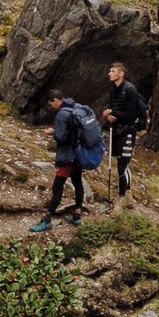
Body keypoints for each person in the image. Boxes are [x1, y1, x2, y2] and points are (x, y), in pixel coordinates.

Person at [30, 89, 101, 231]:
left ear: (55, 100)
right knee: (77, 182)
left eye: (51, 104)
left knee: (57, 186)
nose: (52, 107)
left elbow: (61, 137)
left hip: (68, 155)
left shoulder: (62, 114)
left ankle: (47, 219)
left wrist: (53, 133)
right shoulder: (76, 107)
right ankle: (77, 215)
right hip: (78, 153)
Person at [99, 60, 148, 198]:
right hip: (116, 130)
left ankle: (123, 197)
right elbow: (114, 109)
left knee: (122, 164)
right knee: (121, 163)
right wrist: (109, 115)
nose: (109, 74)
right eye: (110, 71)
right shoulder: (113, 89)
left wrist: (112, 113)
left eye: (113, 71)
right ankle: (127, 195)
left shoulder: (130, 90)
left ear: (121, 74)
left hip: (128, 131)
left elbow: (130, 115)